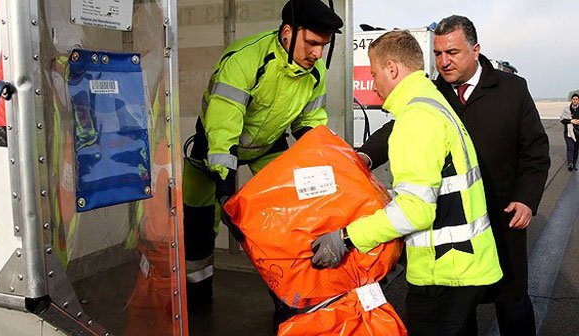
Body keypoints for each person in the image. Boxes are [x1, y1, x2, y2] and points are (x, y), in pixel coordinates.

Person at [358, 15, 550, 336]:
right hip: (457, 219)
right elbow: (396, 126)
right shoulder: (435, 91)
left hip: (503, 214)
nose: (444, 62)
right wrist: (365, 154)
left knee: (511, 301)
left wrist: (526, 199)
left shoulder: (512, 90)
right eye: (437, 54)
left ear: (475, 50)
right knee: (460, 308)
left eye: (453, 53)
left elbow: (535, 150)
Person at [311, 30, 502, 335]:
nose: (373, 86)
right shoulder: (434, 104)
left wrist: (345, 237)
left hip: (443, 275)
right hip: (464, 266)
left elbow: (415, 211)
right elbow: (436, 187)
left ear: (392, 69)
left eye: (374, 75)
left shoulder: (415, 119)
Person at [182, 0, 343, 311]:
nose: (317, 54)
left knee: (287, 220)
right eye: (311, 43)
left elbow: (309, 121)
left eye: (323, 45)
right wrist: (226, 192)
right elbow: (222, 128)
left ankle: (288, 300)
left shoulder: (315, 70)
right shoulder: (244, 60)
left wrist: (323, 157)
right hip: (215, 145)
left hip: (266, 145)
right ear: (287, 33)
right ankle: (196, 296)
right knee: (199, 222)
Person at [560, 93, 579, 171]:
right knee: (570, 147)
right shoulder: (566, 110)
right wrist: (571, 121)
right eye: (573, 99)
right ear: (571, 100)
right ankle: (570, 163)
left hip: (577, 132)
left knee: (576, 149)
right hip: (568, 132)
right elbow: (562, 120)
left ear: (578, 101)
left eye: (576, 99)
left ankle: (574, 163)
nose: (575, 101)